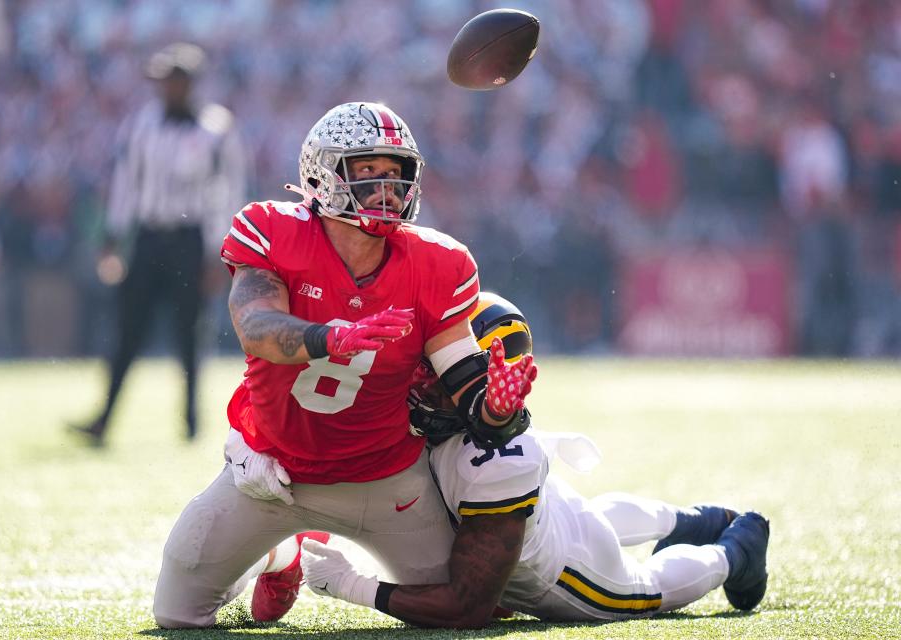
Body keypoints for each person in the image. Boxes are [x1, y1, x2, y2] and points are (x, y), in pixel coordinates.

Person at [151, 102, 538, 628]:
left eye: (396, 173)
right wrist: (329, 337)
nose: (386, 186)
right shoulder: (271, 230)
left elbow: (464, 380)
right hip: (276, 474)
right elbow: (257, 329)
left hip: (387, 479)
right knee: (177, 615)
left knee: (469, 607)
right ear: (322, 172)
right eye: (368, 171)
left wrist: (496, 409)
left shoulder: (438, 262)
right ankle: (282, 558)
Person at [300, 293, 771, 628]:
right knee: (590, 515)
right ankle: (694, 519)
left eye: (444, 367)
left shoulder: (495, 462)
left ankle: (736, 551)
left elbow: (468, 607)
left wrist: (352, 585)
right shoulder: (467, 425)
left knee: (643, 589)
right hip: (547, 517)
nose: (424, 378)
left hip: (566, 575)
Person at [70, 42, 248, 445]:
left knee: (190, 334)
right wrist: (112, 238)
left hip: (189, 240)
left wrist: (218, 253)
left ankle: (190, 421)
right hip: (150, 237)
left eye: (176, 80)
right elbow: (125, 185)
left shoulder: (216, 129)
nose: (169, 88)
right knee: (128, 329)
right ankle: (105, 417)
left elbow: (225, 193)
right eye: (165, 80)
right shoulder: (141, 125)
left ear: (191, 83)